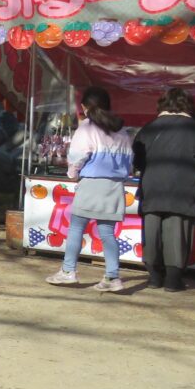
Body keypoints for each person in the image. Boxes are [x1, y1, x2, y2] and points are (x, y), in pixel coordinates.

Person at [46, 86, 133, 293]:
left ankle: (68, 271)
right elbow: (129, 163)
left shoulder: (85, 129)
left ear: (84, 107)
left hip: (91, 185)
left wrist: (72, 174)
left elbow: (76, 158)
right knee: (108, 233)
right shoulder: (121, 130)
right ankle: (112, 276)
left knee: (76, 228)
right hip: (114, 187)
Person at [131, 87, 195, 292]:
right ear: (188, 105)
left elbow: (137, 161)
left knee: (152, 233)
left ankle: (154, 278)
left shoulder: (149, 128)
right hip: (183, 190)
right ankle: (173, 281)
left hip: (152, 189)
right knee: (178, 233)